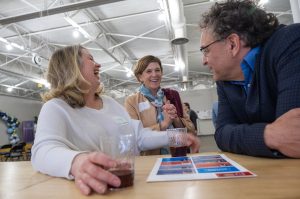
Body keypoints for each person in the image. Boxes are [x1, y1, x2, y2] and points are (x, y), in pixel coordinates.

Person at [31, 45, 200, 195]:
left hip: (127, 185)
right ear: (71, 67)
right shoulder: (56, 107)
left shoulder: (111, 104)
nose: (98, 64)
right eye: (90, 59)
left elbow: (138, 136)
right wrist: (76, 162)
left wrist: (177, 137)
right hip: (91, 191)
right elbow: (42, 151)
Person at [199, 0, 300, 158]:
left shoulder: (290, 44)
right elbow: (222, 135)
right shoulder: (224, 80)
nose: (203, 61)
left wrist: (244, 135)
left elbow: (293, 137)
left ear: (232, 44)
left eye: (206, 51)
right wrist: (268, 135)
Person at [124, 55, 196, 155]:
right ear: (140, 77)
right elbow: (135, 137)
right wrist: (164, 124)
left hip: (176, 156)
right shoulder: (132, 101)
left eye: (157, 70)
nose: (154, 74)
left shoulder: (172, 96)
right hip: (149, 159)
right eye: (149, 71)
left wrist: (175, 118)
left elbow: (191, 129)